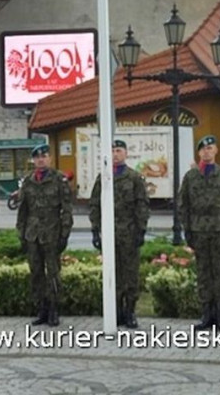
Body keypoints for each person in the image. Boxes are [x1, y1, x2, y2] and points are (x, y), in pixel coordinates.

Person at [178, 134, 220, 332]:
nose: (207, 151)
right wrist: (187, 231)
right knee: (204, 273)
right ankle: (206, 314)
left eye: (210, 148)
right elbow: (183, 205)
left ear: (216, 151)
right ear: (199, 152)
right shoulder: (190, 177)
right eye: (203, 149)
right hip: (199, 231)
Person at [89, 138, 150, 329]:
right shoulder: (104, 177)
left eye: (119, 151)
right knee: (112, 274)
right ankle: (115, 312)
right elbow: (95, 205)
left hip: (129, 233)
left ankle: (130, 311)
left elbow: (142, 205)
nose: (115, 154)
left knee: (130, 273)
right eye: (113, 151)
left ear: (125, 154)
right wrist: (95, 231)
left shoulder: (134, 178)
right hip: (109, 234)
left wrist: (141, 230)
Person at [16, 143, 73, 327]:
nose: (41, 160)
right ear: (33, 160)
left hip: (52, 234)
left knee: (53, 274)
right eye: (37, 157)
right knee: (36, 274)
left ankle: (54, 309)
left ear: (49, 158)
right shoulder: (28, 181)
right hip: (32, 235)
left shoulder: (59, 180)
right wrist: (21, 235)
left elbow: (66, 210)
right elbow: (22, 211)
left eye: (44, 156)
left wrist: (64, 235)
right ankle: (42, 309)